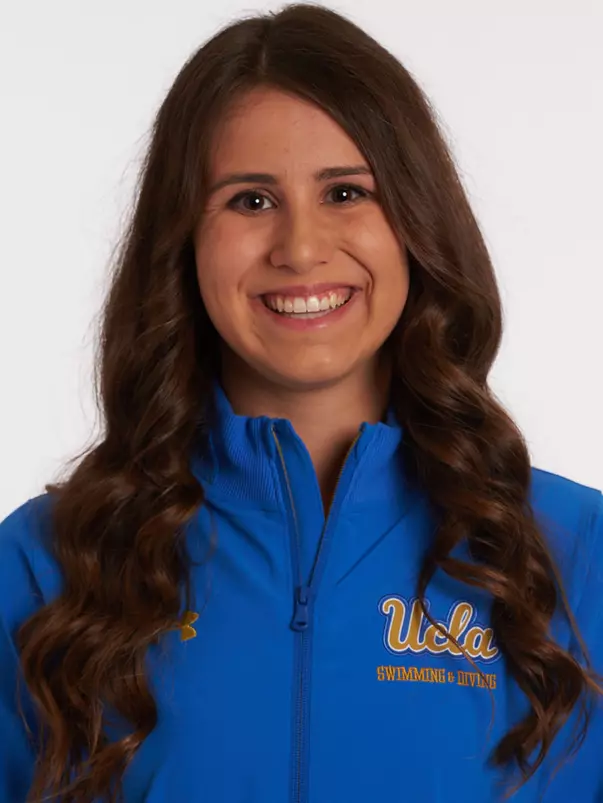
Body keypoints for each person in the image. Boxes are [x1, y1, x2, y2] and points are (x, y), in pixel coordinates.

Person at [1, 3, 601, 802]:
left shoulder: (574, 556)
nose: (302, 248)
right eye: (250, 201)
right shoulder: (45, 564)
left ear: (416, 223)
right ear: (183, 238)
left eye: (347, 192)